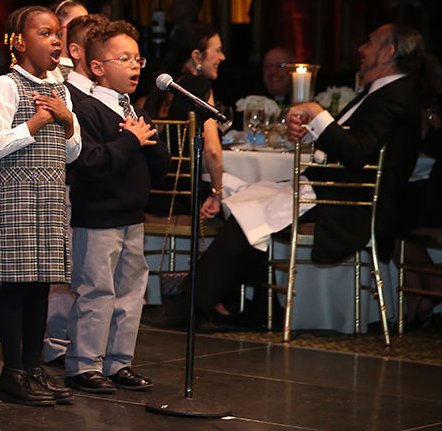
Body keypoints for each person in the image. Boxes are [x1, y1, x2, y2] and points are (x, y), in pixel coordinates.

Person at [196, 24, 427, 322]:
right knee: (246, 201)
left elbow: (358, 152)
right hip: (337, 194)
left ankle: (200, 303)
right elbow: (352, 144)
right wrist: (310, 132)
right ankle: (241, 304)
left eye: (369, 42)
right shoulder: (386, 91)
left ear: (388, 52)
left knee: (250, 209)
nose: (361, 49)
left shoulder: (394, 94)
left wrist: (318, 115)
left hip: (350, 206)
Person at [0, 6, 80, 406]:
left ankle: (34, 367)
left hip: (51, 196)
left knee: (41, 286)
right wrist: (38, 121)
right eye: (45, 33)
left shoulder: (62, 89)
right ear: (20, 42)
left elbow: (72, 153)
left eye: (57, 33)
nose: (55, 40)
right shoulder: (7, 85)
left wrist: (67, 120)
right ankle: (12, 373)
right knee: (17, 289)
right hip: (17, 197)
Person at [64, 21, 169, 394]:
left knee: (129, 295)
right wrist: (129, 138)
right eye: (122, 59)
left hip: (132, 217)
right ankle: (83, 364)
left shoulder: (133, 110)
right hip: (98, 218)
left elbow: (159, 165)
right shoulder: (87, 110)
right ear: (97, 67)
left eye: (137, 58)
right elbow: (89, 163)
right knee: (96, 291)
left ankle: (118, 363)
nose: (134, 66)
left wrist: (149, 140)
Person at [44, 12, 109, 364]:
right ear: (79, 51)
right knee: (64, 273)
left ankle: (83, 343)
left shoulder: (107, 96)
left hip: (97, 196)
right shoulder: (67, 92)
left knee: (88, 275)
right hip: (69, 188)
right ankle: (56, 342)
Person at [145, 23, 226, 215]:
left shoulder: (160, 86)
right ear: (197, 56)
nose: (222, 57)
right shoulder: (199, 86)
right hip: (183, 196)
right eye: (218, 51)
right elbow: (212, 150)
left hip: (151, 191)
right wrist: (217, 193)